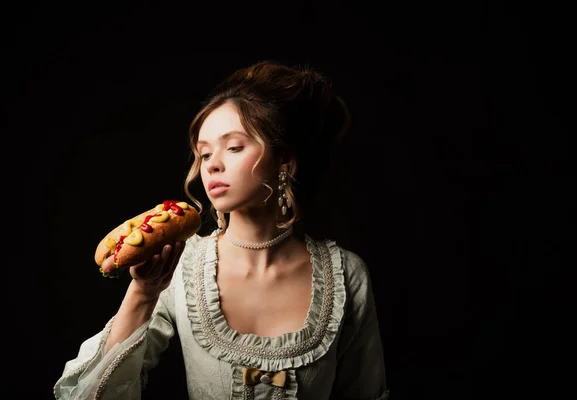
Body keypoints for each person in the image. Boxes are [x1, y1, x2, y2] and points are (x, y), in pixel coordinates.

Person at [54, 60, 389, 399]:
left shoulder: (346, 275)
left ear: (284, 160)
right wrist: (143, 291)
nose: (212, 164)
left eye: (234, 147)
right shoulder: (182, 266)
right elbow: (98, 395)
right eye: (204, 153)